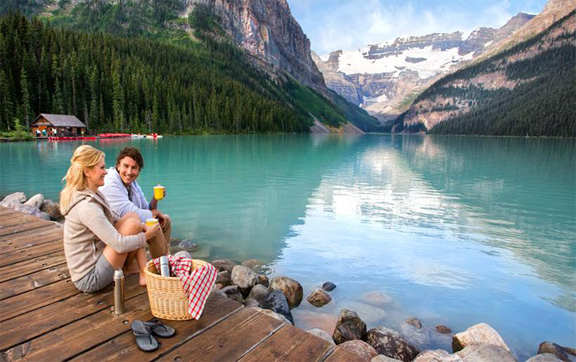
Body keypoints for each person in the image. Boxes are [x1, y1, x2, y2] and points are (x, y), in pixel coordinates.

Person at [60, 145, 159, 292]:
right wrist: (146, 236)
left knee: (132, 218)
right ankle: (142, 270)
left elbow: (113, 219)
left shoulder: (94, 193)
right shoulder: (86, 206)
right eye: (102, 168)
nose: (106, 172)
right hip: (89, 278)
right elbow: (119, 245)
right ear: (87, 172)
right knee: (133, 224)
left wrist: (142, 226)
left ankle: (142, 272)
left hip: (98, 259)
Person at [100, 147, 171, 259]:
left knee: (165, 220)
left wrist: (155, 199)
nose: (129, 172)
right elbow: (129, 213)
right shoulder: (110, 183)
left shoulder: (132, 183)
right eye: (126, 166)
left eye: (134, 168)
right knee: (153, 226)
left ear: (139, 170)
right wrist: (155, 214)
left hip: (128, 227)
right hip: (113, 237)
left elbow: (146, 208)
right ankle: (163, 263)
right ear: (118, 165)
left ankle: (162, 258)